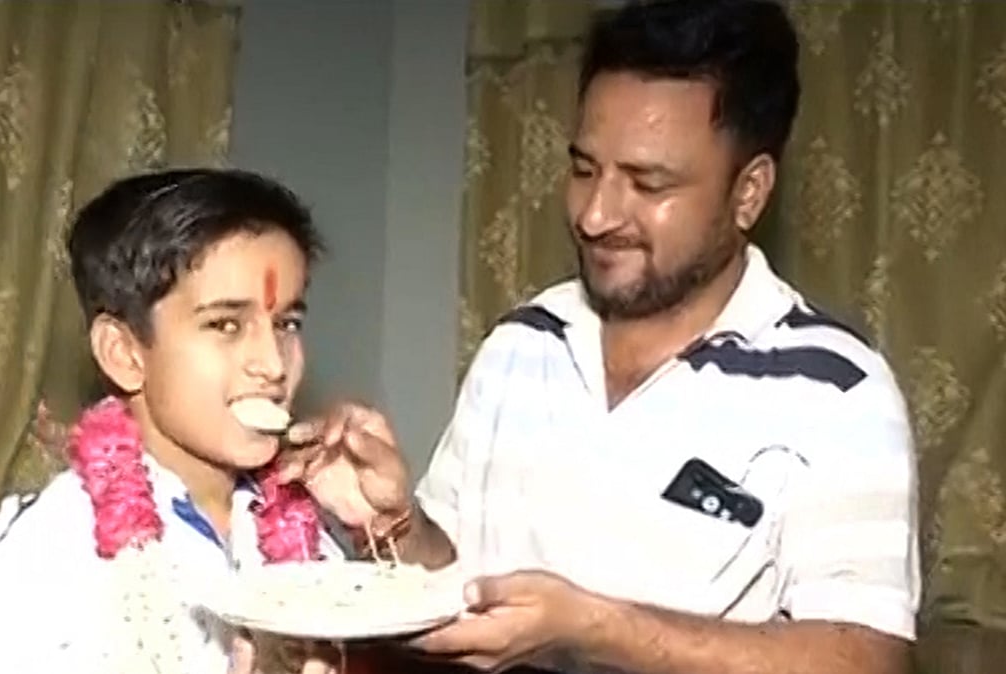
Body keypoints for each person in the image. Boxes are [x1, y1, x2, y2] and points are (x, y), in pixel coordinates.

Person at [274, 1, 918, 673]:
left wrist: (590, 626)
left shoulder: (838, 392)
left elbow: (866, 659)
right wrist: (394, 526)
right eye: (584, 170)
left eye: (648, 183)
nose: (595, 214)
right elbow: (458, 586)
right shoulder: (522, 344)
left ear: (748, 192)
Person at [0, 168, 346, 674]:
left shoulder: (304, 532)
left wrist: (390, 529)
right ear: (123, 353)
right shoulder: (46, 551)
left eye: (287, 323)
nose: (273, 363)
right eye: (226, 325)